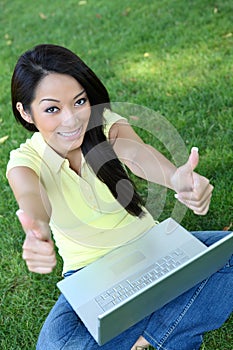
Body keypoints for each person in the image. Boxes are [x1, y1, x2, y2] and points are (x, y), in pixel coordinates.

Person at [7, 44, 232, 350]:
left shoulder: (107, 125)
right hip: (90, 276)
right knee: (55, 344)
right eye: (52, 109)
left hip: (156, 250)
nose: (71, 120)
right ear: (25, 112)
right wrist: (37, 231)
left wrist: (176, 178)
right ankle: (165, 320)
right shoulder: (25, 160)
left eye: (80, 101)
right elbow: (30, 194)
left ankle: (146, 336)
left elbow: (137, 154)